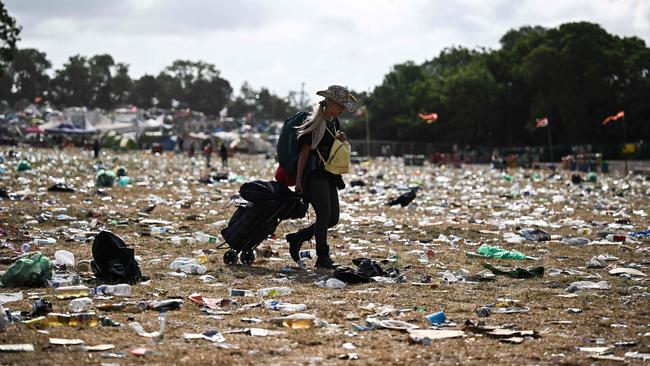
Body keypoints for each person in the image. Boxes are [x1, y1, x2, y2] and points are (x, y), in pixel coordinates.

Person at [285, 85, 357, 270]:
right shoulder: (314, 124)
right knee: (324, 214)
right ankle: (322, 257)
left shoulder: (334, 123)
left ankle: (298, 237)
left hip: (329, 175)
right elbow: (304, 154)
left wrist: (340, 140)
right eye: (340, 106)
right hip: (314, 175)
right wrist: (299, 180)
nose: (342, 110)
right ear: (330, 103)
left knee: (333, 218)